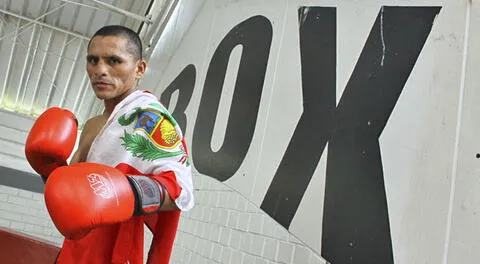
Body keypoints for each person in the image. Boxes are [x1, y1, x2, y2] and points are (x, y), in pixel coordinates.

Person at [24, 25, 194, 264]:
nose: (100, 70)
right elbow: (72, 193)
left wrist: (123, 191)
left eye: (114, 60)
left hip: (115, 255)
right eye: (93, 60)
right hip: (74, 250)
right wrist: (49, 168)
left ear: (139, 69)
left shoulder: (151, 119)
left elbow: (181, 190)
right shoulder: (93, 125)